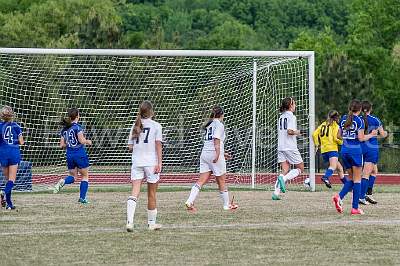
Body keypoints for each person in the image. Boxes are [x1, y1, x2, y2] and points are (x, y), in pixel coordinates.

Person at [184, 105, 238, 212]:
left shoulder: (209, 125)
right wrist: (218, 154)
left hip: (205, 154)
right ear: (221, 115)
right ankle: (227, 205)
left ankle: (190, 201)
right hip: (213, 154)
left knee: (201, 180)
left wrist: (222, 153)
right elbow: (216, 139)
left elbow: (211, 142)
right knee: (221, 180)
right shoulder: (219, 125)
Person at [332, 100, 377, 215]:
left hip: (344, 151)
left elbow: (338, 135)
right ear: (360, 109)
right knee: (357, 180)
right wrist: (371, 135)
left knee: (351, 179)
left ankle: (340, 197)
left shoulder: (343, 119)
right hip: (355, 151)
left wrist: (348, 138)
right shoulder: (359, 120)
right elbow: (361, 138)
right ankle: (354, 208)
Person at [126, 100, 163, 232]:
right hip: (151, 163)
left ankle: (130, 222)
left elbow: (130, 147)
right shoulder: (156, 126)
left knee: (135, 191)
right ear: (151, 112)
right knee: (151, 193)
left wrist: (138, 145)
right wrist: (160, 162)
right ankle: (151, 223)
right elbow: (158, 145)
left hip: (137, 162)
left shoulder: (135, 125)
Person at [53, 108, 92, 204]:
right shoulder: (78, 127)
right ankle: (82, 198)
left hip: (69, 155)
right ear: (78, 116)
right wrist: (88, 141)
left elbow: (61, 145)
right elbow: (82, 141)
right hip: (79, 154)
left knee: (73, 176)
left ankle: (63, 181)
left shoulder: (64, 129)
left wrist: (70, 144)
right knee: (85, 176)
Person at [272, 97, 304, 200]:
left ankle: (275, 193)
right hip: (289, 146)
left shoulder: (281, 117)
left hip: (281, 146)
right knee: (300, 168)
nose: (295, 106)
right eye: (294, 104)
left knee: (285, 169)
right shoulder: (292, 117)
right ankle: (284, 179)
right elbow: (289, 131)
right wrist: (299, 132)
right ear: (290, 106)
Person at [359, 101, 387, 205]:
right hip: (371, 148)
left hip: (360, 147)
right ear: (370, 109)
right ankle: (361, 196)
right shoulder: (375, 120)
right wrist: (385, 134)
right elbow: (383, 134)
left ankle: (368, 193)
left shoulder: (358, 119)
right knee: (366, 173)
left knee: (374, 171)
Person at [312, 110, 345, 188]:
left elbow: (314, 134)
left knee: (340, 168)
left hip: (324, 150)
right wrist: (343, 142)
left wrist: (317, 144)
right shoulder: (335, 126)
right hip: (332, 149)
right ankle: (325, 177)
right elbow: (336, 138)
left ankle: (348, 186)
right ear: (336, 118)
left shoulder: (323, 124)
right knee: (333, 166)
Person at [0, 106, 24, 210]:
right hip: (13, 152)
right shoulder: (16, 126)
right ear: (12, 115)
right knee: (12, 179)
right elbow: (21, 142)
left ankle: (9, 204)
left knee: (7, 180)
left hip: (3, 153)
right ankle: (4, 194)